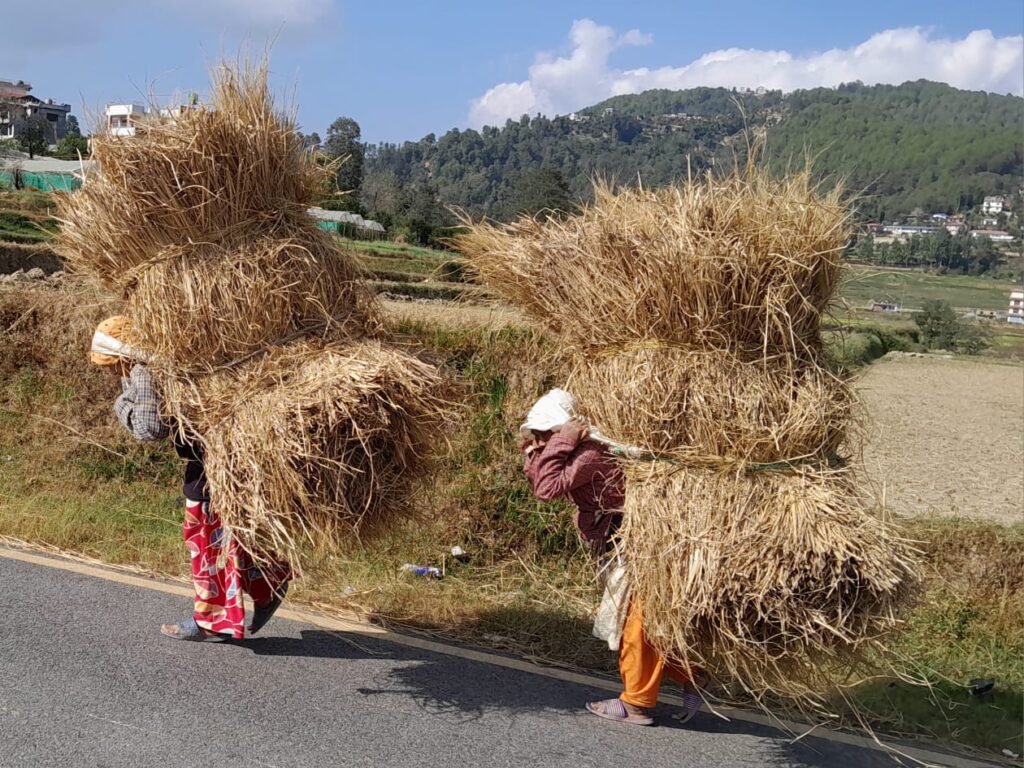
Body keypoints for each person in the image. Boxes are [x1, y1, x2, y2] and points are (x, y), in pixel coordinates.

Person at [91, 316, 290, 642]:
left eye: (109, 365)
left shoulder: (142, 371)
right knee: (230, 533)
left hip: (210, 461)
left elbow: (149, 428)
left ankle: (212, 620)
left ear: (121, 358)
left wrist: (121, 403)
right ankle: (268, 584)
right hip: (217, 454)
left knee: (205, 538)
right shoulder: (167, 361)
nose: (110, 373)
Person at [520, 388, 702, 726]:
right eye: (539, 434)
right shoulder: (573, 449)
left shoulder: (591, 453)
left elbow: (546, 489)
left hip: (643, 544)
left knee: (638, 624)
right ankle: (693, 680)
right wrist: (539, 449)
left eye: (547, 433)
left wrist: (559, 445)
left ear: (568, 430)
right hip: (624, 542)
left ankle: (637, 704)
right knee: (647, 619)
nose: (540, 440)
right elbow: (540, 478)